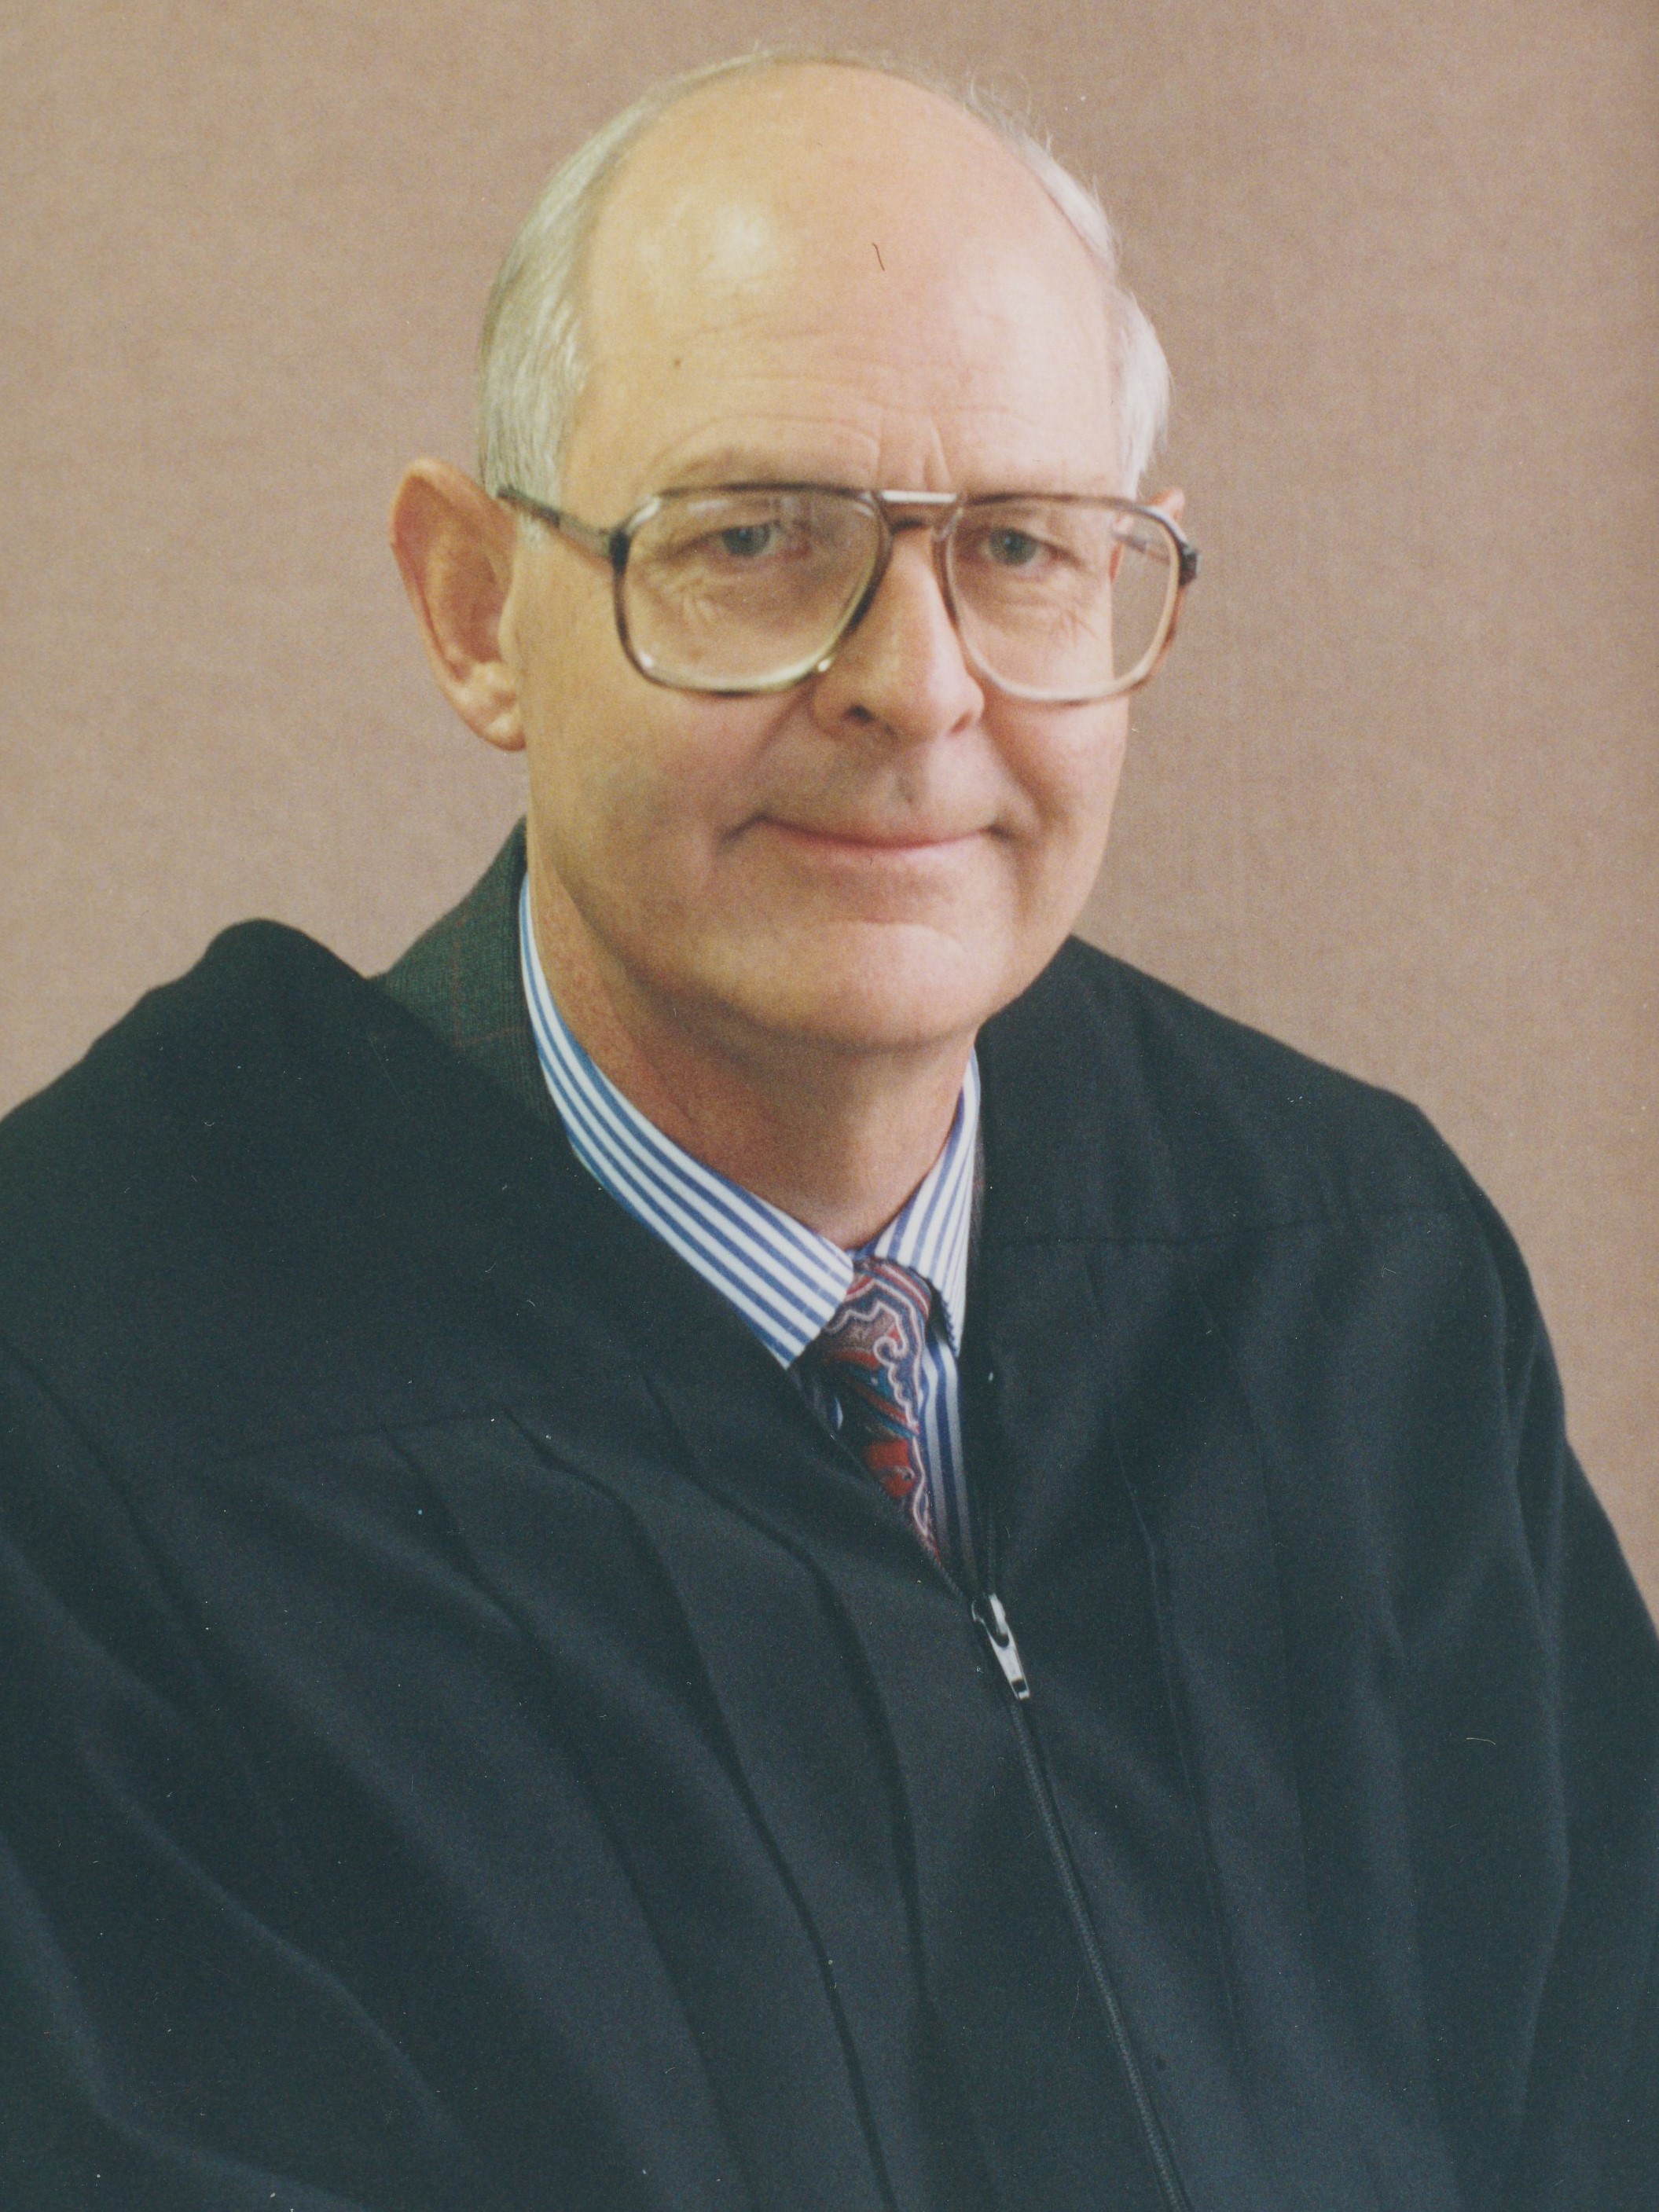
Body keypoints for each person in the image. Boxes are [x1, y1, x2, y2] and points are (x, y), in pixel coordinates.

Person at [1, 49, 1653, 2212]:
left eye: (1021, 548)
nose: (917, 685)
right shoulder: (83, 1400)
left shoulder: (1360, 1278)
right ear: (477, 610)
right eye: (756, 540)